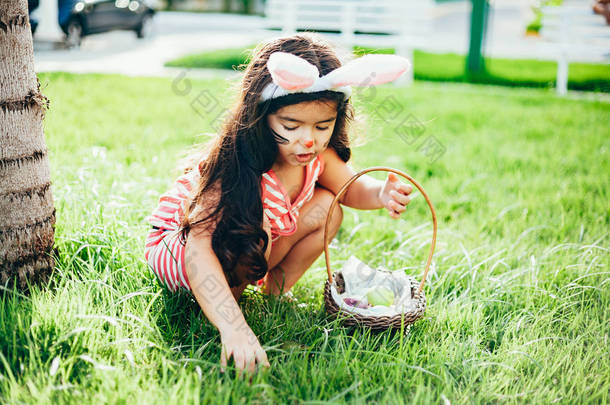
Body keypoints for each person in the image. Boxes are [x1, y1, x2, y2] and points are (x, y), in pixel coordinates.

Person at [143, 33, 415, 376]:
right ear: (261, 116)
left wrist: (380, 194)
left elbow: (350, 188)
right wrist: (234, 328)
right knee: (257, 229)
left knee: (328, 206)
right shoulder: (236, 162)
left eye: (322, 125)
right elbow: (198, 247)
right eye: (291, 125)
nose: (308, 139)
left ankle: (272, 295)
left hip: (253, 239)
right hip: (179, 248)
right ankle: (226, 305)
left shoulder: (319, 157)